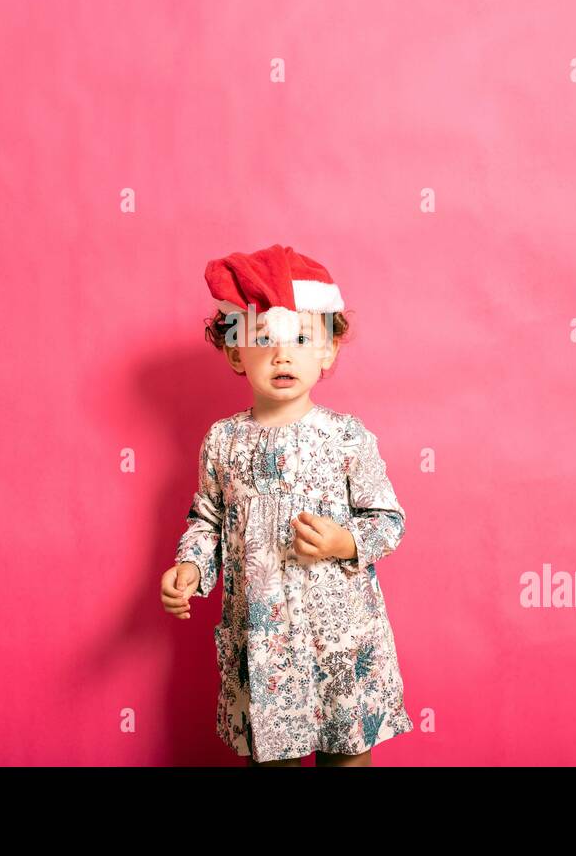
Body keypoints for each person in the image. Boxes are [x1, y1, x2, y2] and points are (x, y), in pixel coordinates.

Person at [160, 243, 413, 767]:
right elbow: (207, 519)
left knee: (347, 754)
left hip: (341, 638)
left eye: (301, 339)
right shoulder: (223, 441)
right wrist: (190, 566)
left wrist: (346, 541)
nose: (283, 355)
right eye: (263, 341)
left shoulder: (347, 437)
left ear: (329, 351)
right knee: (271, 758)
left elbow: (388, 520)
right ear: (235, 353)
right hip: (262, 642)